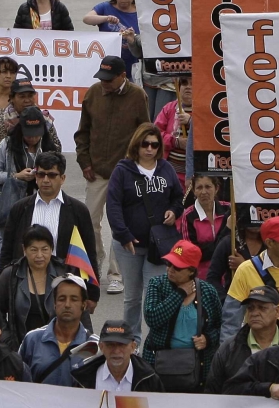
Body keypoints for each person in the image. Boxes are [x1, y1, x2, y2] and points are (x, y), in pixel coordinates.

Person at [74, 55, 151, 295]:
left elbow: (145, 134)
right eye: (102, 78)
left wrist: (137, 167)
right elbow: (82, 132)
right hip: (96, 171)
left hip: (126, 173)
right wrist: (84, 161)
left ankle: (116, 274)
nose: (104, 83)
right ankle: (93, 265)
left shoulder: (138, 96)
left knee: (121, 224)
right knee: (89, 221)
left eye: (109, 79)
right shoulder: (93, 93)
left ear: (122, 76)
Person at [106, 123, 183, 342]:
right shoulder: (122, 170)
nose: (149, 149)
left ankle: (156, 340)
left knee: (154, 296)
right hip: (128, 246)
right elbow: (113, 205)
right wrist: (123, 235)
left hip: (158, 246)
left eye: (154, 145)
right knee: (131, 297)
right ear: (137, 145)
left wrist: (172, 211)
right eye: (145, 144)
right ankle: (132, 341)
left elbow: (178, 198)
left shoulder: (166, 168)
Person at [0, 153, 100, 311]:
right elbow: (7, 250)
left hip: (66, 283)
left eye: (52, 175)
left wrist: (92, 293)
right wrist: (2, 284)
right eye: (41, 174)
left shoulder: (78, 211)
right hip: (26, 284)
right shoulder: (20, 208)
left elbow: (89, 253)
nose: (46, 180)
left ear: (63, 178)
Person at [142, 240, 222, 390]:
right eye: (169, 264)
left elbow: (219, 326)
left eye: (177, 267)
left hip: (197, 366)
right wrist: (179, 294)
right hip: (159, 363)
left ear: (191, 270)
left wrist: (208, 338)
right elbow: (152, 318)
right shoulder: (157, 284)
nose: (170, 269)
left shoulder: (208, 292)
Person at [0, 106, 56, 270]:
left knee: (39, 240)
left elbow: (57, 175)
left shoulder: (49, 146)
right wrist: (16, 176)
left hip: (40, 202)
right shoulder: (7, 145)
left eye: (37, 133)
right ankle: (1, 279)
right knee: (5, 240)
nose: (33, 138)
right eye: (29, 133)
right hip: (10, 202)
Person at [0, 226, 83, 348]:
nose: (39, 255)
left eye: (45, 249)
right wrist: (8, 341)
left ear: (51, 249)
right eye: (34, 250)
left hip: (59, 348)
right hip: (20, 349)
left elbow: (81, 312)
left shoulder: (64, 274)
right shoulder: (11, 275)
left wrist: (85, 345)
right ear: (24, 249)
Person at [204, 285, 279, 394]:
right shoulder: (229, 348)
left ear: (277, 311)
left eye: (262, 308)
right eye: (250, 308)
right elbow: (212, 390)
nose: (254, 313)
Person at [18, 274, 95, 385]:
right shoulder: (32, 339)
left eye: (74, 299)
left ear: (83, 305)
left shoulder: (93, 345)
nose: (67, 305)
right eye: (62, 299)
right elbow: (17, 379)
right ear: (54, 303)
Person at [0, 77, 62, 161]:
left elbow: (57, 149)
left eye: (30, 96)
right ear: (11, 98)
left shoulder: (44, 119)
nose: (27, 100)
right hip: (4, 170)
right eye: (22, 97)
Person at [70, 320, 165, 391]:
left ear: (133, 347)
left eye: (121, 345)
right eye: (110, 345)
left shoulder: (150, 379)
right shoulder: (84, 380)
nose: (116, 351)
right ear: (101, 347)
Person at [83, 0, 139, 82]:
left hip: (132, 66)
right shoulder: (105, 7)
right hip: (108, 67)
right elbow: (87, 19)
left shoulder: (140, 13)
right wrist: (106, 18)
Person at [176, 174, 230, 279]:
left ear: (217, 188)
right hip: (201, 276)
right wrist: (222, 246)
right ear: (194, 191)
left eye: (208, 187)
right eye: (199, 188)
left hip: (227, 274)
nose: (204, 192)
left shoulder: (228, 209)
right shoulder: (188, 216)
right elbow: (192, 252)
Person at [154, 77, 193, 182]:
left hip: (194, 175)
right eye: (184, 83)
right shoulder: (169, 108)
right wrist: (175, 142)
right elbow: (155, 135)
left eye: (193, 83)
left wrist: (191, 121)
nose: (188, 87)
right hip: (168, 172)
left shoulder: (204, 111)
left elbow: (208, 136)